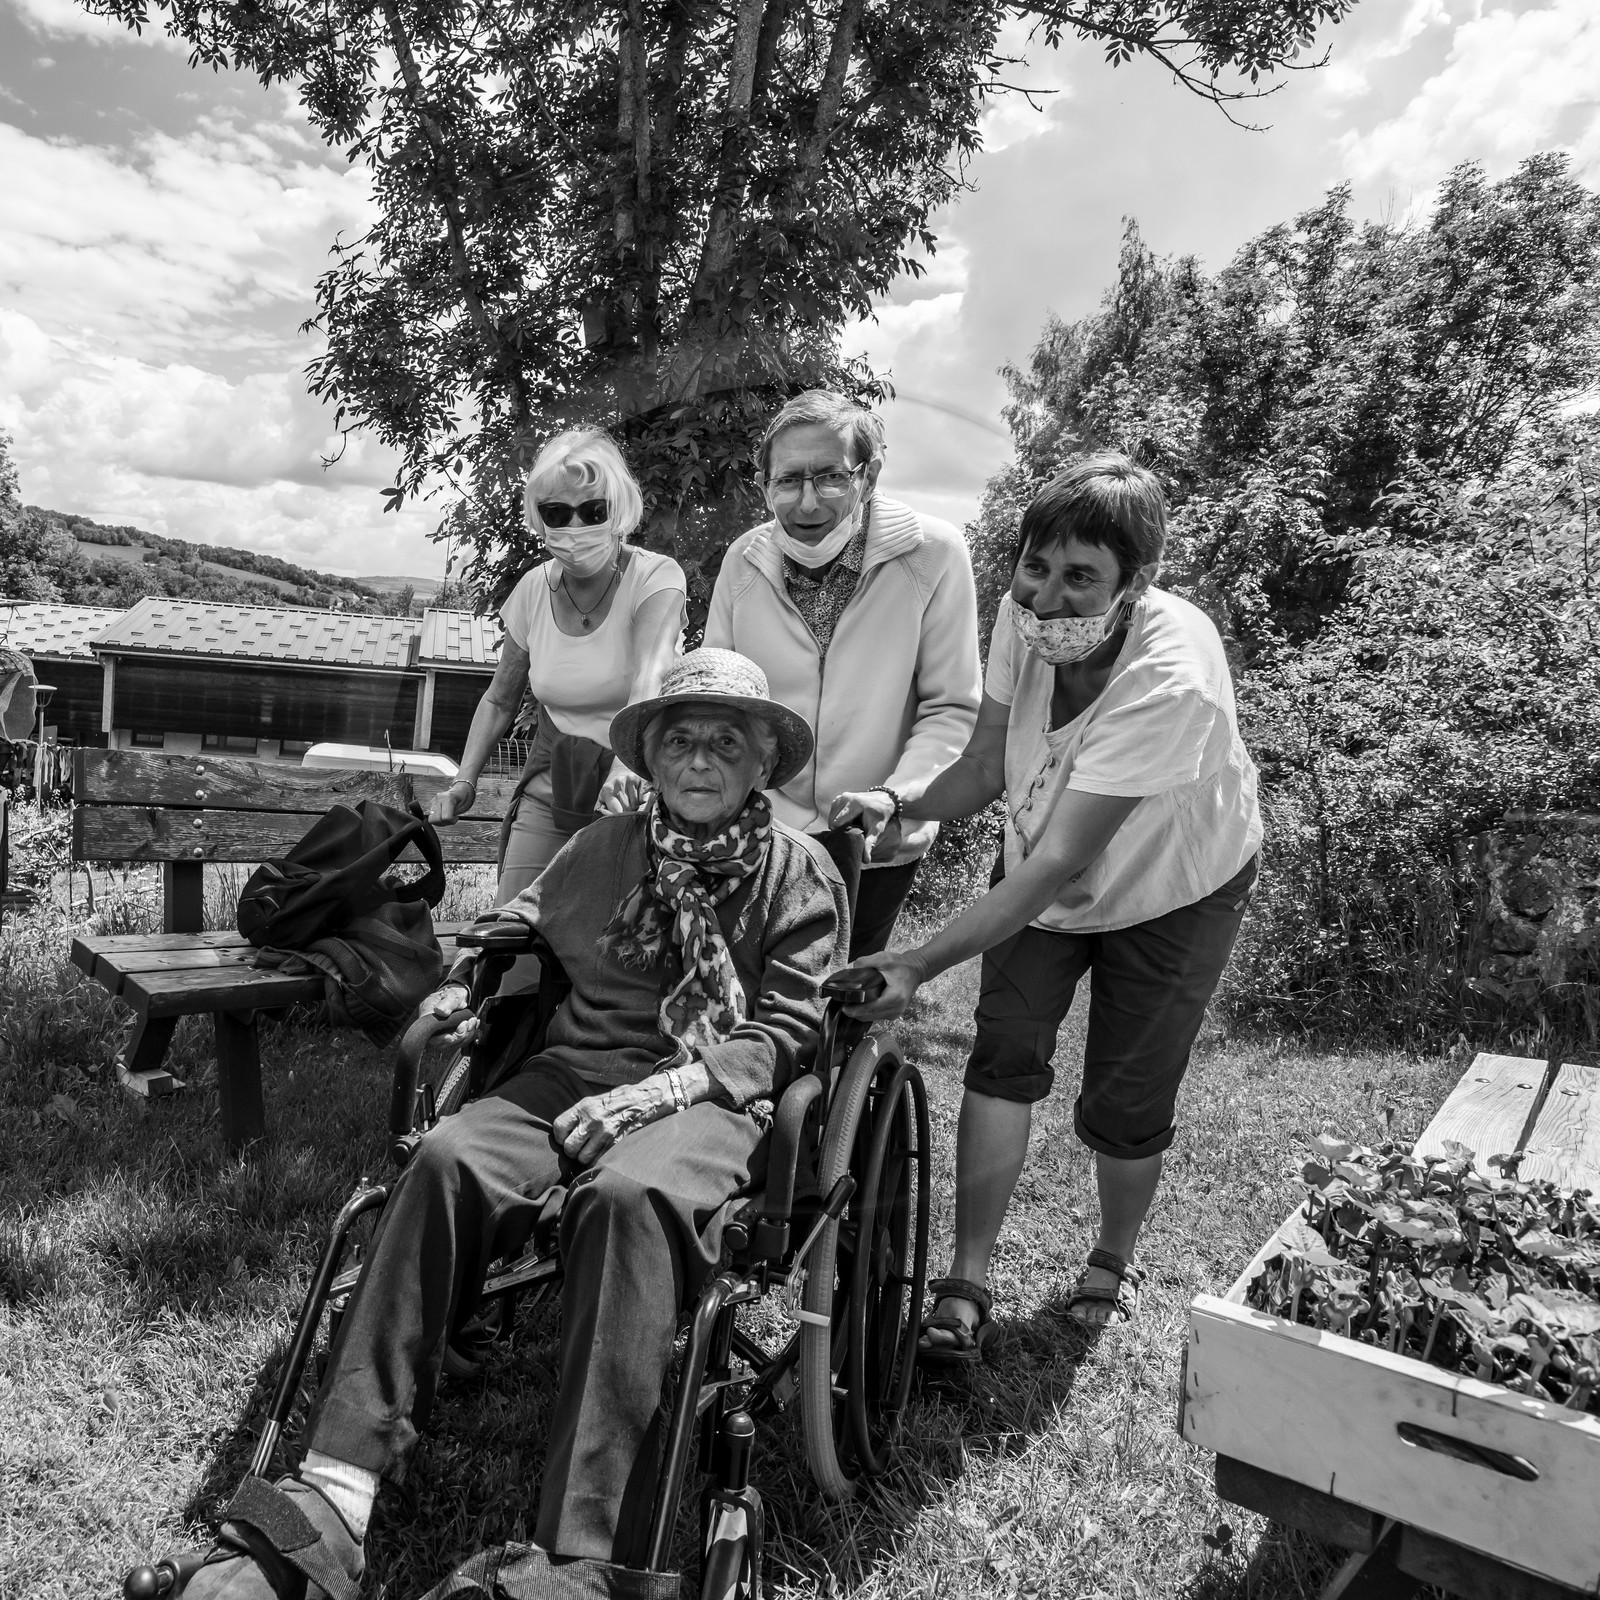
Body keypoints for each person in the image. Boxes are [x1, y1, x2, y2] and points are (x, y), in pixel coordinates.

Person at [175, 650, 847, 1600]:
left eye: (726, 743)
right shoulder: (603, 848)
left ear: (764, 761)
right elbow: (523, 916)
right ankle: (334, 1497)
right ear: (651, 758)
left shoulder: (799, 874)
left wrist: (658, 1095)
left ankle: (582, 1557)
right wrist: (461, 978)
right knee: (445, 1156)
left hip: (706, 1096)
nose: (700, 761)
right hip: (571, 1073)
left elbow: (786, 1033)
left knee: (627, 1193)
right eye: (681, 740)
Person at [835, 454, 1261, 1355]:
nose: (1049, 598)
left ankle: (1111, 1259)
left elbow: (1060, 861)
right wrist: (898, 799)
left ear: (1135, 583)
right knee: (1004, 1051)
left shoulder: (1169, 677)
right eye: (1036, 567)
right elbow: (989, 764)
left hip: (1174, 887)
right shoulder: (1020, 619)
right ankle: (965, 1281)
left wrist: (914, 962)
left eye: (1081, 579)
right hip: (1046, 867)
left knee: (1126, 1091)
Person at [703, 389, 981, 958]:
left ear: (869, 475)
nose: (806, 504)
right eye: (787, 481)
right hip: (760, 831)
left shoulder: (934, 554)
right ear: (764, 484)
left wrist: (895, 797)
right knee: (745, 992)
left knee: (839, 1004)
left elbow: (950, 707)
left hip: (875, 834)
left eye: (830, 477)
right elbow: (717, 695)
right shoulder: (744, 559)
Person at [430, 428, 686, 903]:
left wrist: (628, 766)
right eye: (556, 513)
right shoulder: (531, 589)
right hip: (552, 792)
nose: (575, 525)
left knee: (613, 956)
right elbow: (499, 698)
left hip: (636, 796)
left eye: (593, 510)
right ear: (539, 518)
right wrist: (464, 781)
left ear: (619, 509)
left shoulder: (656, 576)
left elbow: (650, 677)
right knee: (512, 944)